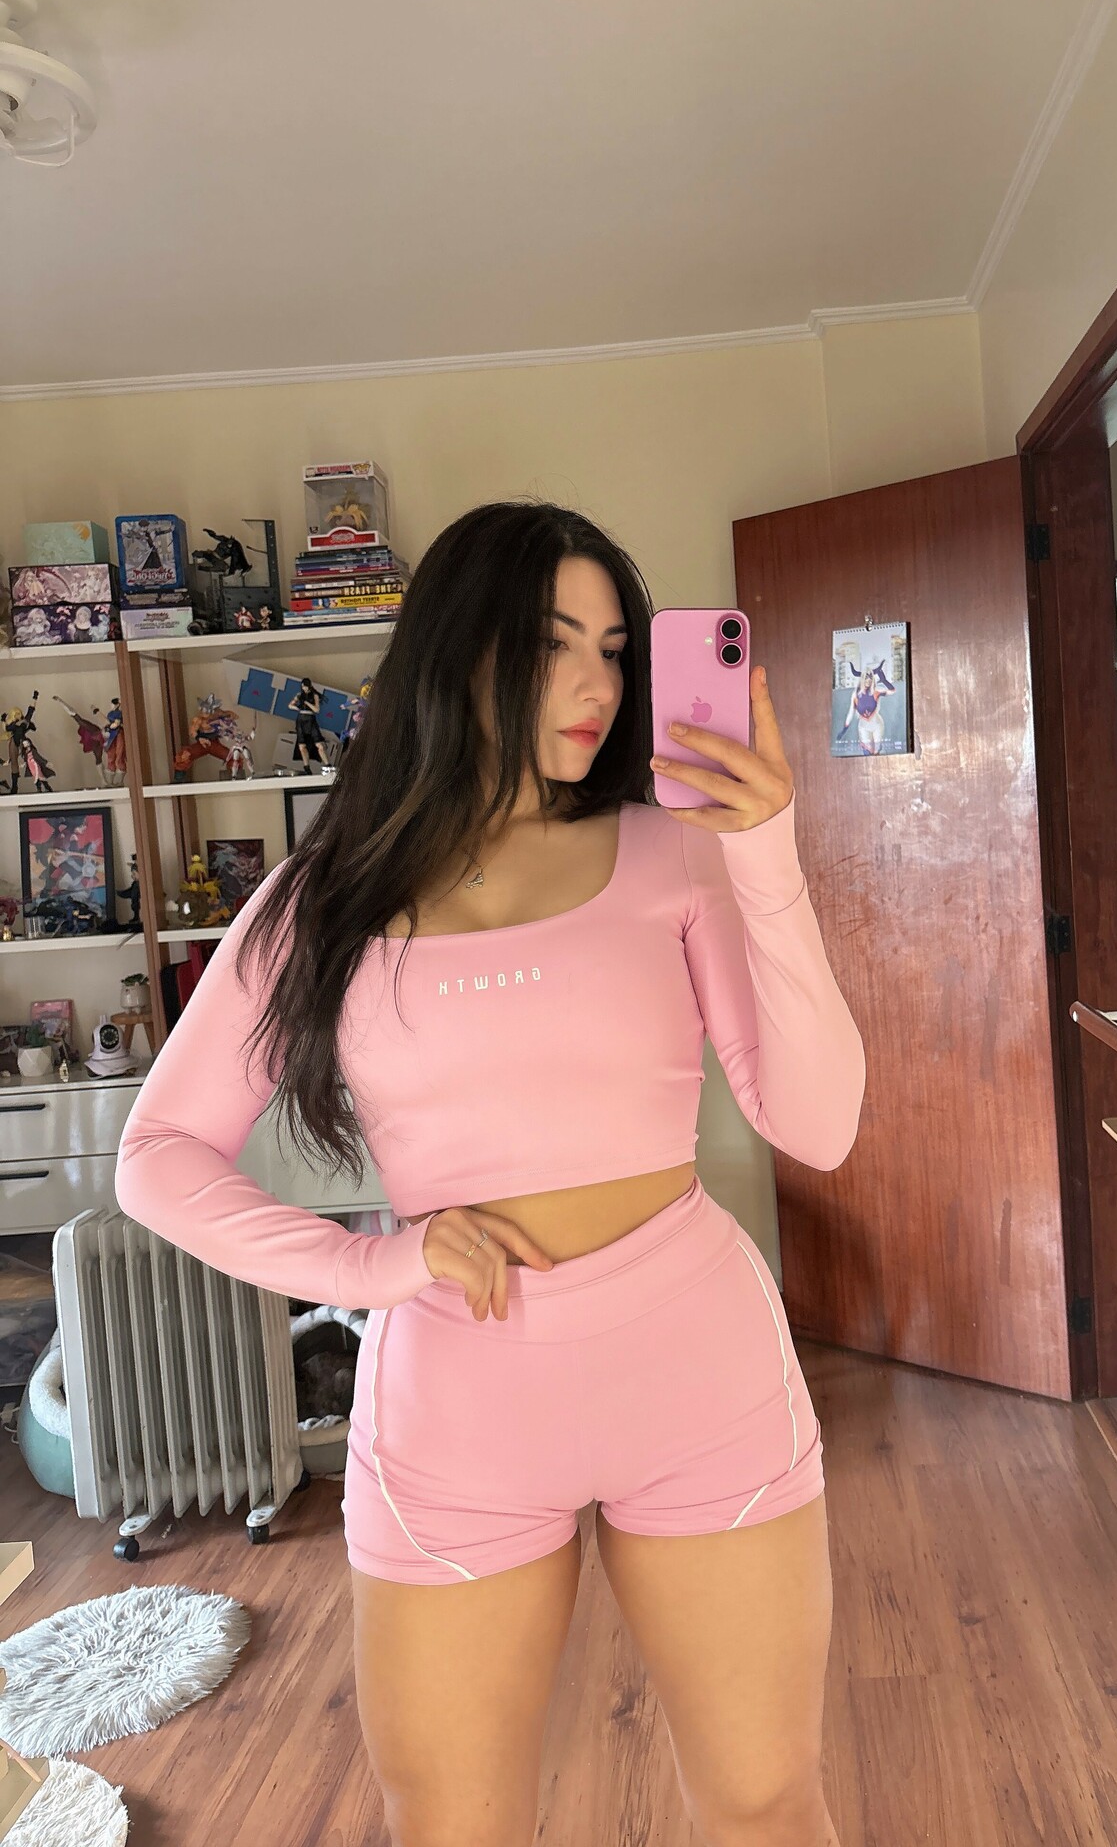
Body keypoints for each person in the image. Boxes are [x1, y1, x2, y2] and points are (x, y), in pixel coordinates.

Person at [112, 500, 866, 1847]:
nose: (596, 684)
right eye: (552, 643)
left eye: (615, 650)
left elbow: (820, 1124)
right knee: (453, 1827)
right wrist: (368, 1265)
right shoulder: (322, 900)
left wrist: (766, 856)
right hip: (456, 1409)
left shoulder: (677, 851)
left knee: (767, 1805)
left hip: (698, 1374)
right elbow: (157, 1157)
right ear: (459, 651)